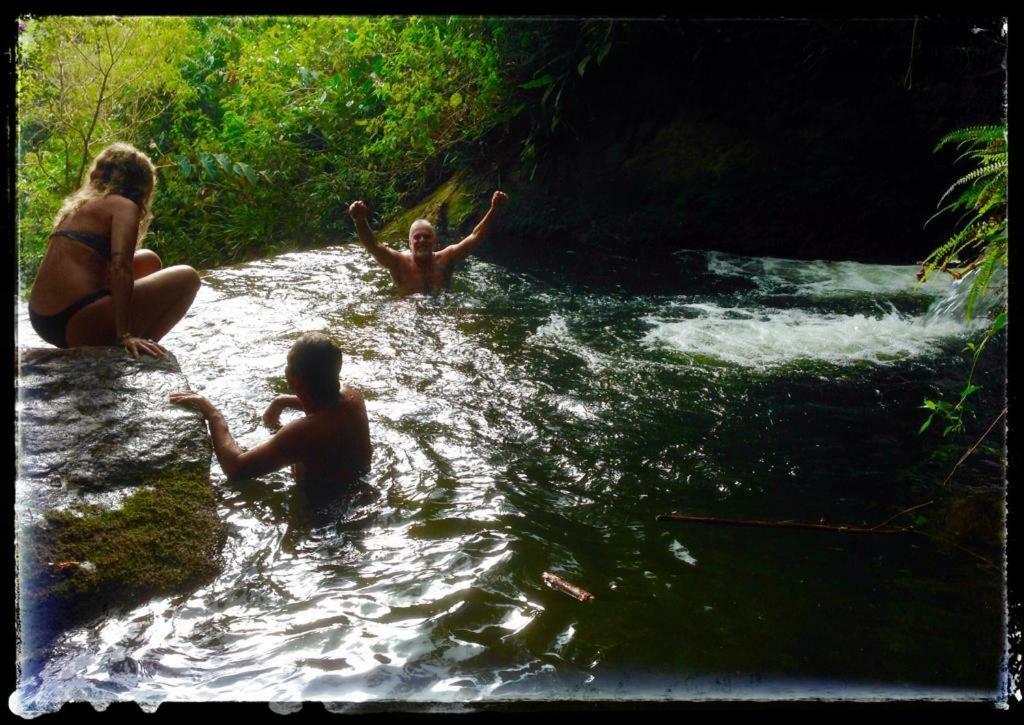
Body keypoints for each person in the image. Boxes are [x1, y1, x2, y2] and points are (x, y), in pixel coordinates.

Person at [27, 142, 201, 359]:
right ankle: (137, 350)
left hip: (43, 319)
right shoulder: (124, 206)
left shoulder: (82, 205)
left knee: (149, 260)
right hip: (78, 318)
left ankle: (124, 338)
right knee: (188, 277)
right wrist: (124, 334)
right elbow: (121, 267)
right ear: (140, 182)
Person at [170, 333, 372, 486]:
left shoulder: (303, 432)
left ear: (297, 381)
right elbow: (321, 403)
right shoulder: (353, 396)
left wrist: (214, 415)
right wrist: (282, 401)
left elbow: (236, 468)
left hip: (320, 514)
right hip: (358, 484)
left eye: (288, 365)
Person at [348, 190, 509, 296]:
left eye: (426, 236)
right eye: (417, 238)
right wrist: (359, 220)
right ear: (409, 244)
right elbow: (374, 246)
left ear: (435, 241)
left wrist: (494, 209)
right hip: (406, 313)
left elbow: (475, 236)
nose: (422, 240)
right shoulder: (398, 262)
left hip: (441, 309)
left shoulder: (447, 257)